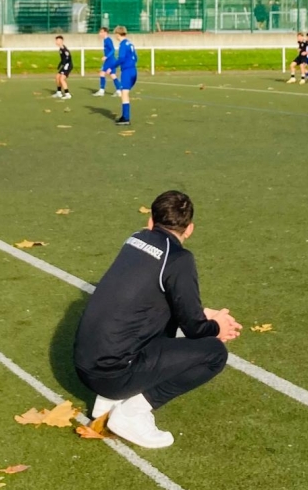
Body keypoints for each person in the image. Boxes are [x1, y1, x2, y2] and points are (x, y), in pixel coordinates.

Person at [73, 190, 241, 449]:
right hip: (111, 375)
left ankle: (108, 402)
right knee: (214, 353)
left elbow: (156, 301)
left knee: (163, 320)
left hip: (85, 363)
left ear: (150, 221)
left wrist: (205, 314)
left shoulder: (136, 239)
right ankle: (131, 414)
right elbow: (195, 329)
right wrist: (217, 326)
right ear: (190, 229)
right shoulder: (179, 259)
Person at [106, 25, 137, 125]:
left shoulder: (123, 44)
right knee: (125, 93)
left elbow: (121, 58)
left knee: (124, 93)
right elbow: (136, 57)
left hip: (127, 72)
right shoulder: (130, 43)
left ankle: (125, 118)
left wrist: (111, 67)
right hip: (133, 70)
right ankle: (125, 116)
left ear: (117, 34)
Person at [93, 26, 120, 97]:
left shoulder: (108, 40)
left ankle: (102, 91)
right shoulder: (105, 40)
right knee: (112, 75)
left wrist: (106, 56)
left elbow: (113, 49)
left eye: (101, 32)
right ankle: (119, 90)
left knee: (102, 73)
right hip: (110, 60)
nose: (100, 34)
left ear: (105, 33)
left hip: (110, 60)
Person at [54, 35, 73, 99]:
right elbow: (63, 59)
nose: (56, 42)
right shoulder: (60, 49)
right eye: (56, 40)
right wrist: (60, 64)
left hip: (67, 65)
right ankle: (59, 92)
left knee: (62, 79)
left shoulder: (64, 49)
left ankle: (67, 94)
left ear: (61, 41)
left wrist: (64, 64)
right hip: (64, 65)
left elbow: (68, 57)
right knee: (57, 77)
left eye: (58, 40)